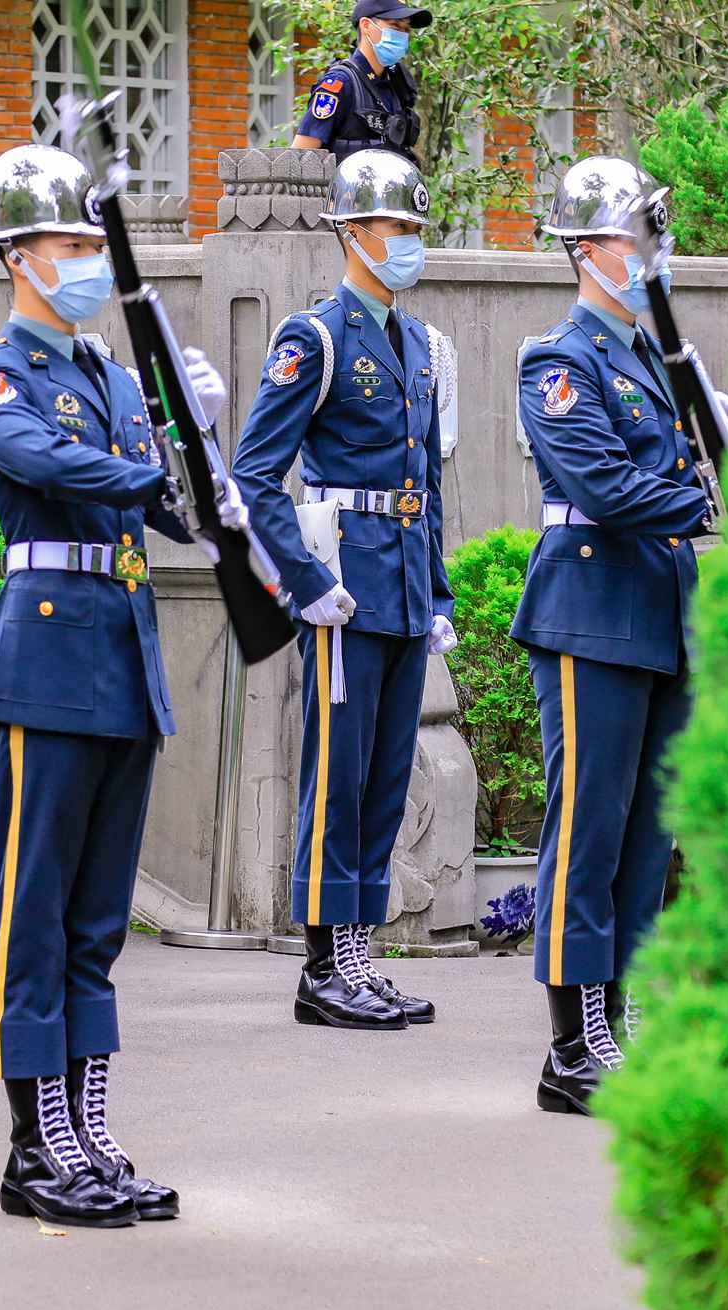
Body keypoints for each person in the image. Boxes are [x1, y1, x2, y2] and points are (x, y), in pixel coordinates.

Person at [0, 143, 247, 1227]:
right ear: (17, 256)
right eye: (68, 246)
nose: (83, 262)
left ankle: (89, 1131)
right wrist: (154, 465)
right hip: (44, 666)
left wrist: (203, 448)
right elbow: (42, 465)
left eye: (90, 245)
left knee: (94, 924)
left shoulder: (116, 379)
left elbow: (178, 518)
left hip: (123, 661)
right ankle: (34, 1149)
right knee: (33, 915)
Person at [511, 155, 728, 1116]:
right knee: (590, 828)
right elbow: (605, 488)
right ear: (586, 252)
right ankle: (573, 1044)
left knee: (651, 834)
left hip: (661, 610)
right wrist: (710, 490)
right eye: (634, 238)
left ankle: (623, 1008)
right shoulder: (558, 358)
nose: (652, 253)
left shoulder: (658, 356)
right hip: (591, 608)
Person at [233, 149, 456, 1031]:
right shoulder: (316, 336)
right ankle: (326, 965)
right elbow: (256, 475)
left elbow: (426, 484)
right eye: (396, 228)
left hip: (400, 585)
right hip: (343, 586)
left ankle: (361, 954)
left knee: (384, 780)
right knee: (337, 776)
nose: (408, 244)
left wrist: (437, 593)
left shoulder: (419, 342)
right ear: (353, 233)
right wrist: (306, 579)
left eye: (414, 230)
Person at [291, 0, 430, 164]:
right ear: (366, 26)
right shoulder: (340, 83)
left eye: (406, 29)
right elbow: (298, 159)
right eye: (395, 26)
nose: (403, 35)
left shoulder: (398, 84)